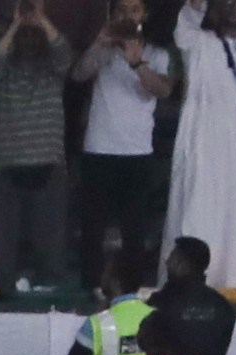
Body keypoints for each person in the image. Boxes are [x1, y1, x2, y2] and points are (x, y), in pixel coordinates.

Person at [169, 5, 236, 292]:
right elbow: (185, 27)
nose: (235, 7)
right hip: (205, 149)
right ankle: (193, 285)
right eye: (228, 2)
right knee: (200, 215)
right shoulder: (199, 44)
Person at [77, 1, 178, 291]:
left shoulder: (157, 54)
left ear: (144, 15)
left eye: (134, 9)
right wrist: (100, 44)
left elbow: (162, 90)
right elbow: (79, 74)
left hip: (137, 151)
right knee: (93, 227)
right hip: (98, 148)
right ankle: (90, 287)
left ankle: (131, 289)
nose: (127, 16)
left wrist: (137, 63)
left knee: (134, 229)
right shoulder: (103, 49)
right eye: (122, 9)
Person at [0, 0, 78, 291]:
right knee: (2, 246)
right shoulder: (2, 75)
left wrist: (41, 19)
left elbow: (65, 53)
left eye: (33, 35)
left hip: (48, 167)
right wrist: (16, 24)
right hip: (4, 168)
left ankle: (50, 296)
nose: (28, 40)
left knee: (51, 245)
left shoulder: (54, 72)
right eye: (22, 36)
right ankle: (3, 295)